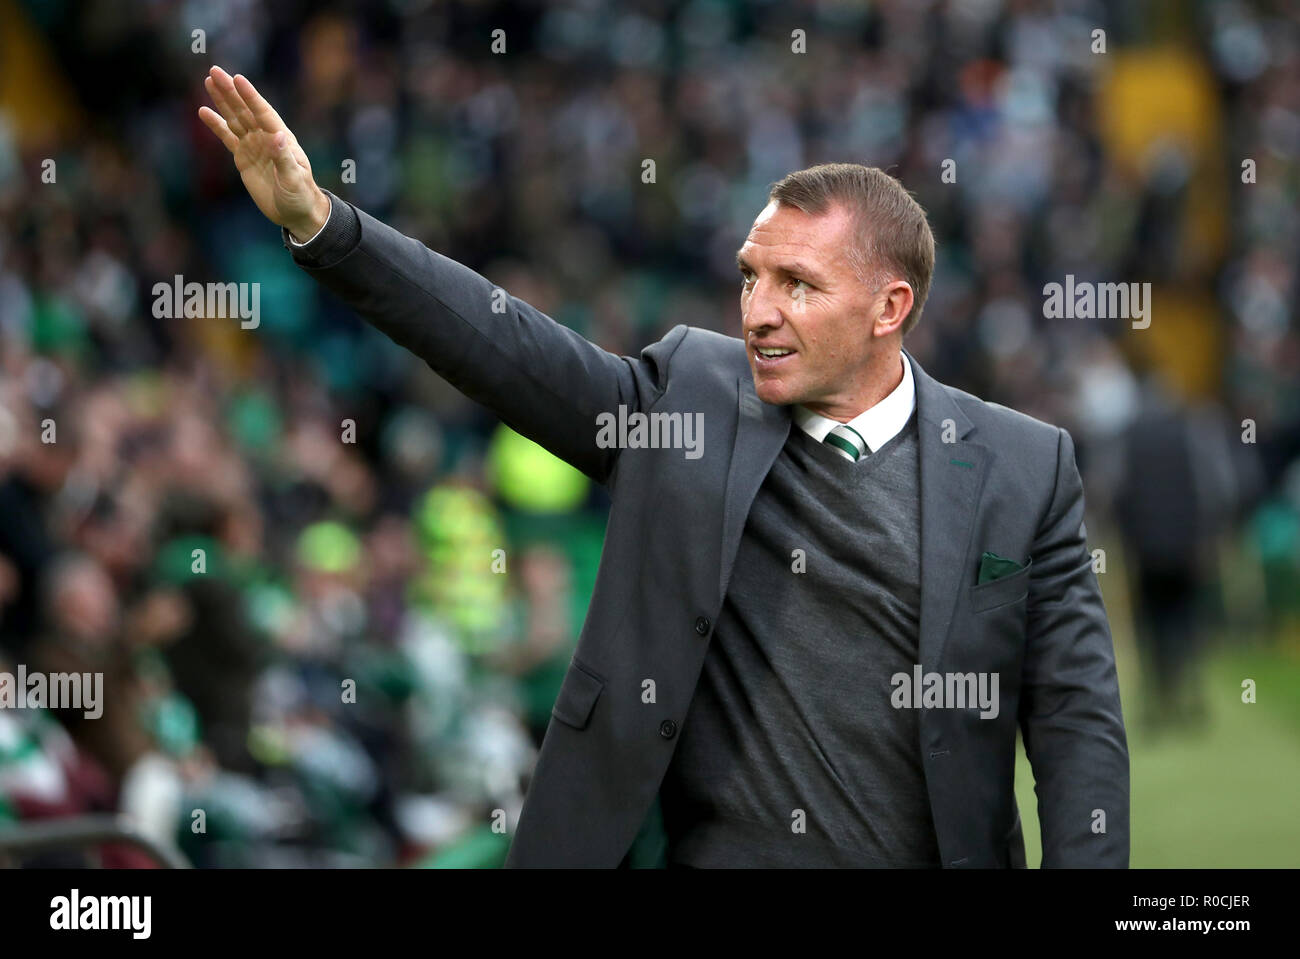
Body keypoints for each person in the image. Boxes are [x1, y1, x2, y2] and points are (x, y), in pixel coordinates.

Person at [198, 65, 1129, 868]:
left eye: (798, 284)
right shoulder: (689, 396)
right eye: (751, 276)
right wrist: (322, 223)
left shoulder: (1023, 466)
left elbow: (1077, 722)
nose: (758, 309)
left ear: (890, 307)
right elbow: (499, 342)